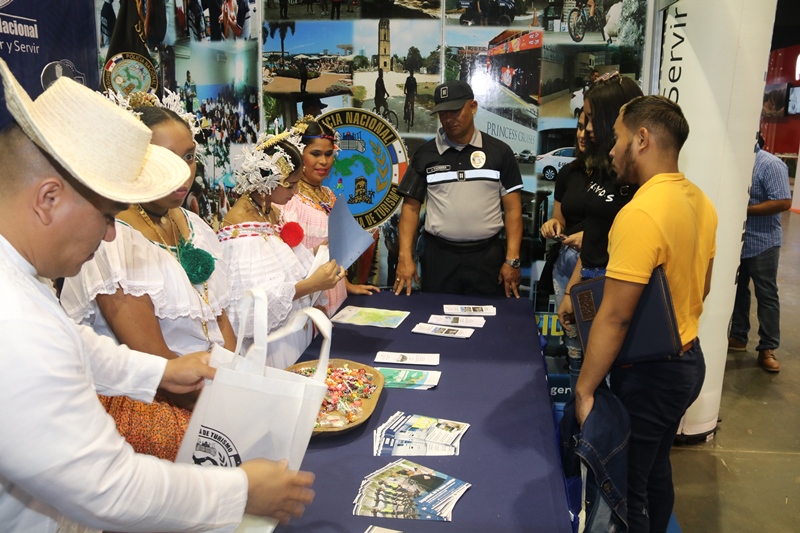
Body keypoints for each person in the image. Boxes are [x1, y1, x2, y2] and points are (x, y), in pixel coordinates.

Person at [0, 57, 313, 532]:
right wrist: (242, 490)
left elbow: (74, 343)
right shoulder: (16, 323)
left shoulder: (21, 286)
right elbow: (111, 489)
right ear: (48, 199)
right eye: (108, 216)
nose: (111, 234)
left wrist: (162, 371)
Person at [569, 95, 716, 533]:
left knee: (627, 485)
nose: (612, 148)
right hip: (688, 362)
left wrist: (584, 390)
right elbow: (702, 286)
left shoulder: (640, 213)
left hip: (650, 376)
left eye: (618, 138)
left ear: (642, 139)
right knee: (653, 470)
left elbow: (615, 317)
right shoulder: (701, 202)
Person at [61, 98, 237, 461]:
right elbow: (151, 356)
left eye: (189, 156)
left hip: (211, 390)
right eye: (165, 160)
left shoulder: (193, 224)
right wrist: (230, 411)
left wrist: (240, 382)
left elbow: (220, 317)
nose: (184, 173)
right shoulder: (111, 240)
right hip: (151, 402)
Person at [218, 129, 343, 360]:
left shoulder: (269, 210)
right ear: (268, 181)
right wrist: (311, 285)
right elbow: (248, 306)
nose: (295, 192)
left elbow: (286, 266)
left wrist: (321, 253)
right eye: (291, 185)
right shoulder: (240, 228)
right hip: (269, 347)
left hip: (291, 333)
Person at [394, 80, 523, 297]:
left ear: (473, 107)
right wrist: (405, 257)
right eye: (442, 113)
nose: (448, 119)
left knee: (487, 315)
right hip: (439, 258)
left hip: (487, 258)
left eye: (454, 111)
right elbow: (410, 209)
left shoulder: (499, 152)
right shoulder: (425, 154)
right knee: (435, 314)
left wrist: (512, 260)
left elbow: (513, 209)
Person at [557, 72, 643, 383]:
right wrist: (572, 291)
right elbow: (593, 240)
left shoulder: (638, 179)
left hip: (614, 291)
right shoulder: (603, 167)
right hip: (588, 284)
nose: (588, 128)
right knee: (578, 364)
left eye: (594, 119)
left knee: (603, 379)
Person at [282, 119, 380, 316]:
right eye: (315, 154)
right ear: (299, 153)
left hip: (335, 291)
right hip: (306, 297)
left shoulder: (330, 194)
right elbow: (284, 260)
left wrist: (347, 285)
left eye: (328, 154)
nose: (324, 161)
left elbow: (336, 252)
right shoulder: (287, 199)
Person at [728, 134, 791, 372]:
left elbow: (783, 202)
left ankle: (768, 347)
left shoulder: (770, 164)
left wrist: (744, 210)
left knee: (766, 295)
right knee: (738, 291)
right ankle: (738, 337)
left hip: (763, 242)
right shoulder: (735, 162)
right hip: (737, 242)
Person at [540, 110, 588, 387]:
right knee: (574, 349)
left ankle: (597, 409)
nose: (582, 134)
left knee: (597, 348)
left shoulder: (618, 176)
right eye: (579, 127)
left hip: (596, 271)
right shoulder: (568, 173)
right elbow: (559, 219)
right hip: (566, 265)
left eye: (588, 128)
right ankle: (575, 405)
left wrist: (591, 239)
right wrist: (552, 226)